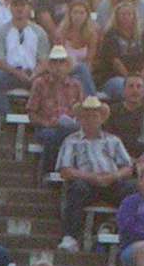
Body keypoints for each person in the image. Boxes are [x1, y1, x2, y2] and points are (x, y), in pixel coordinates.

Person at [55, 95, 134, 254]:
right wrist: (92, 177)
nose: (91, 119)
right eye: (86, 116)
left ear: (101, 118)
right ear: (80, 119)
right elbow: (65, 170)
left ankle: (122, 231)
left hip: (111, 181)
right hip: (85, 182)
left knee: (132, 189)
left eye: (94, 115)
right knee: (77, 189)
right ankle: (71, 237)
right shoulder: (71, 141)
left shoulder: (114, 140)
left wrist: (113, 176)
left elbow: (128, 167)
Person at [25, 45, 82, 178]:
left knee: (75, 134)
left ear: (67, 65)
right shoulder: (40, 83)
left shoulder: (76, 85)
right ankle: (50, 171)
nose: (58, 66)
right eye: (54, 62)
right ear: (49, 65)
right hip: (47, 127)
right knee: (51, 136)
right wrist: (47, 123)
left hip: (70, 127)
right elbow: (31, 113)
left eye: (61, 62)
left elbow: (81, 111)